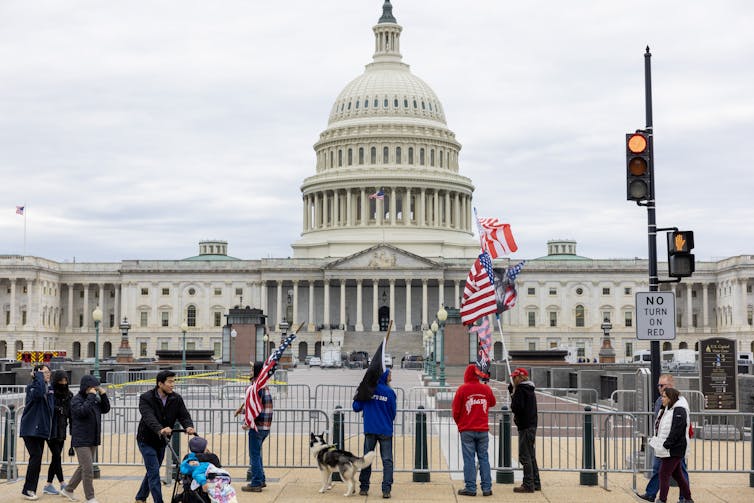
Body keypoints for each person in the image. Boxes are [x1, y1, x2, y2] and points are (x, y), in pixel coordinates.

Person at [135, 370, 195, 503]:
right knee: (154, 472)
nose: (173, 385)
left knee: (153, 470)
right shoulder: (146, 398)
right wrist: (160, 429)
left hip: (162, 442)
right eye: (170, 381)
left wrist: (188, 426)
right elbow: (148, 417)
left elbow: (184, 415)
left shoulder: (176, 398)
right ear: (160, 383)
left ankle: (140, 497)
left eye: (174, 381)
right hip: (146, 440)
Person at [635, 374, 690, 502]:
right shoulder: (662, 401)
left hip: (672, 447)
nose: (659, 388)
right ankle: (652, 494)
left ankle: (670, 499)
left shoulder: (680, 405)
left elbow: (677, 428)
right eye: (658, 385)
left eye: (662, 385)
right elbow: (660, 422)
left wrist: (667, 444)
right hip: (663, 444)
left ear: (671, 386)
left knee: (670, 472)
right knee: (666, 471)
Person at [61, 375, 111, 503]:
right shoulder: (76, 400)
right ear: (86, 387)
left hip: (92, 437)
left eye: (96, 387)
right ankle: (90, 497)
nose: (94, 389)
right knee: (88, 469)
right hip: (81, 438)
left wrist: (103, 395)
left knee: (83, 467)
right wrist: (91, 396)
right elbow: (82, 412)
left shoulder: (94, 399)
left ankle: (68, 489)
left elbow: (105, 409)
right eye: (92, 387)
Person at [452, 363, 496, 497]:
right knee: (484, 458)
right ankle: (487, 488)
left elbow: (456, 411)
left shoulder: (462, 389)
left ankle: (470, 488)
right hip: (482, 429)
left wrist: (460, 424)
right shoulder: (485, 389)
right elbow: (492, 403)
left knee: (469, 459)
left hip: (467, 429)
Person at [352, 368, 396, 499]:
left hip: (370, 429)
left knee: (367, 459)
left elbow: (356, 407)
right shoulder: (389, 392)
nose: (391, 377)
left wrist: (359, 393)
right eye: (390, 374)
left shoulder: (368, 389)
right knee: (387, 460)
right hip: (385, 430)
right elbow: (393, 413)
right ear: (385, 376)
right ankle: (386, 489)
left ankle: (364, 487)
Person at [649, 387, 694, 503]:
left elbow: (677, 430)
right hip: (670, 448)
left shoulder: (679, 410)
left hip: (674, 449)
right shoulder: (667, 409)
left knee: (664, 474)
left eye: (664, 397)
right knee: (678, 476)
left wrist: (666, 444)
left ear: (670, 398)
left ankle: (662, 499)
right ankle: (688, 499)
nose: (662, 399)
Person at [235, 361, 273, 493]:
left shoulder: (255, 387)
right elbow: (257, 406)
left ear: (256, 371)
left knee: (254, 455)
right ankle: (261, 479)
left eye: (251, 369)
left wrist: (247, 422)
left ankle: (256, 482)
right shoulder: (264, 386)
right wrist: (243, 410)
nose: (250, 371)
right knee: (257, 455)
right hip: (265, 427)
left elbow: (254, 409)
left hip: (257, 427)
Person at [20, 364, 55, 500]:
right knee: (35, 456)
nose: (47, 374)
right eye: (43, 373)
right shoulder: (33, 387)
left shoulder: (49, 388)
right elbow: (39, 394)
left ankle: (30, 489)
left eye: (48, 372)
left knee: (37, 458)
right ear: (37, 375)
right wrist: (38, 377)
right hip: (30, 429)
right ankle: (28, 489)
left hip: (41, 429)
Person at [508, 367, 540, 493]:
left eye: (515, 377)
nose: (513, 379)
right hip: (531, 425)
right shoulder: (529, 389)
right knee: (531, 455)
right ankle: (535, 482)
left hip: (525, 426)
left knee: (524, 456)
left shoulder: (521, 389)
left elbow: (516, 407)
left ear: (520, 377)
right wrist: (513, 393)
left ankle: (528, 484)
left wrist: (513, 394)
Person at [180, 436, 237, 503]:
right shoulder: (212, 457)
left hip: (194, 490)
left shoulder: (188, 458)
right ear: (204, 448)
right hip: (212, 486)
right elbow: (218, 469)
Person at [43, 370, 73, 496]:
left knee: (56, 457)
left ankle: (48, 484)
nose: (63, 382)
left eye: (65, 380)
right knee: (57, 456)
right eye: (61, 380)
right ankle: (62, 483)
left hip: (61, 429)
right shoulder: (50, 393)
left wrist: (72, 429)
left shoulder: (69, 395)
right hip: (51, 429)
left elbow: (70, 413)